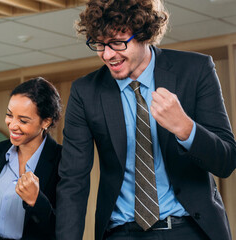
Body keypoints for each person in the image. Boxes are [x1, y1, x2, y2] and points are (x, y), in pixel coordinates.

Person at [56, 0, 236, 239]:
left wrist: (186, 128)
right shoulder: (85, 92)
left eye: (117, 43)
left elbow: (226, 161)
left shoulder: (195, 70)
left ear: (144, 33)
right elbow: (73, 182)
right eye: (99, 45)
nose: (108, 55)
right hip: (122, 232)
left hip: (189, 229)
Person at [0, 77, 62, 240]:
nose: (12, 125)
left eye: (23, 120)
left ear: (46, 122)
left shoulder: (62, 160)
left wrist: (37, 200)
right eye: (9, 115)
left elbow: (66, 229)